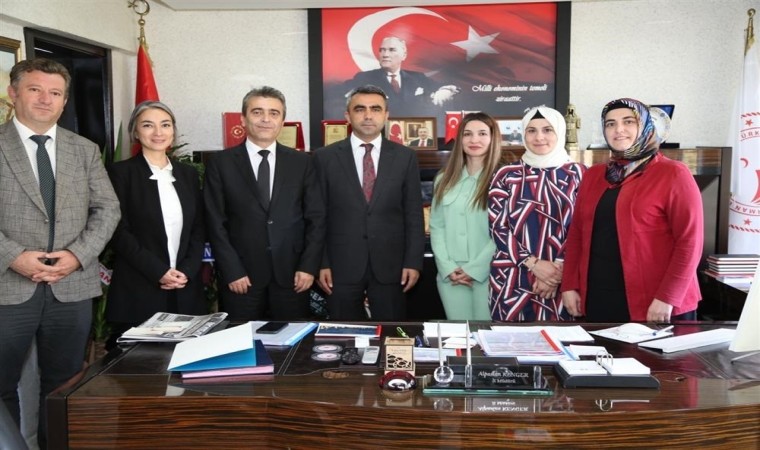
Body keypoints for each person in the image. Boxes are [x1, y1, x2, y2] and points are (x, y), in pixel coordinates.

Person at [0, 58, 120, 447]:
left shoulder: (84, 149)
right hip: (7, 285)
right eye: (35, 89)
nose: (45, 99)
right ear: (13, 93)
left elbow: (108, 209)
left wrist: (77, 256)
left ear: (65, 101)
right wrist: (13, 256)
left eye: (55, 93)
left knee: (65, 385)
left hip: (71, 287)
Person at [561, 98, 703, 322]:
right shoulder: (593, 175)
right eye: (610, 124)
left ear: (645, 126)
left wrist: (668, 297)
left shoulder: (674, 173)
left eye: (628, 121)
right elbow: (577, 233)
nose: (618, 129)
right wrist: (569, 285)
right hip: (599, 297)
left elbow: (690, 242)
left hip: (657, 303)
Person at [204, 86, 324, 321]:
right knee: (241, 340)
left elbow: (316, 219)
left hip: (293, 276)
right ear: (243, 118)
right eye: (257, 112)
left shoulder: (302, 162)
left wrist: (308, 267)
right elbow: (215, 222)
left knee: (293, 340)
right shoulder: (220, 163)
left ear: (282, 121)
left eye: (274, 113)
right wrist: (232, 270)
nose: (266, 119)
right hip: (241, 278)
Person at [314, 85, 425, 320]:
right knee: (344, 335)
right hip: (340, 267)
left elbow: (413, 214)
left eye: (375, 109)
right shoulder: (324, 157)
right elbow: (317, 215)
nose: (367, 115)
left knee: (393, 332)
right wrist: (322, 263)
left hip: (392, 267)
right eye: (359, 109)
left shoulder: (405, 157)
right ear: (347, 116)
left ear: (386, 115)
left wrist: (413, 262)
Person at [105, 101, 206, 348]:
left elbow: (198, 228)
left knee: (186, 363)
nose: (158, 132)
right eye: (148, 125)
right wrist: (158, 271)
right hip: (139, 288)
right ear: (136, 132)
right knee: (141, 366)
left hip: (185, 288)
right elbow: (118, 232)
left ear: (173, 131)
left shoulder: (188, 174)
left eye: (165, 125)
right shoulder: (120, 173)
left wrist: (187, 271)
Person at [489, 106, 585, 321]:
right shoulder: (506, 175)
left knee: (563, 340)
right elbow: (497, 228)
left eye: (547, 130)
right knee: (509, 340)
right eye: (531, 130)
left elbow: (583, 227)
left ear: (560, 132)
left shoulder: (579, 173)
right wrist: (534, 264)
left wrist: (556, 271)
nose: (539, 137)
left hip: (566, 281)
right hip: (513, 278)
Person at [429, 113, 501, 320]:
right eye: (467, 134)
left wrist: (475, 269)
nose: (474, 140)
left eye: (482, 134)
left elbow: (505, 231)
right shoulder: (443, 179)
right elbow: (437, 226)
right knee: (458, 334)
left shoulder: (503, 179)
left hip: (490, 273)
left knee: (488, 334)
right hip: (451, 276)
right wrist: (447, 266)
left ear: (493, 138)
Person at [347, 37, 459, 116]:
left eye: (391, 50)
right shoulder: (364, 78)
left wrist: (445, 91)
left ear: (404, 55)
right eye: (382, 50)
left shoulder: (418, 78)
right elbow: (342, 94)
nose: (385, 54)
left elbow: (451, 87)